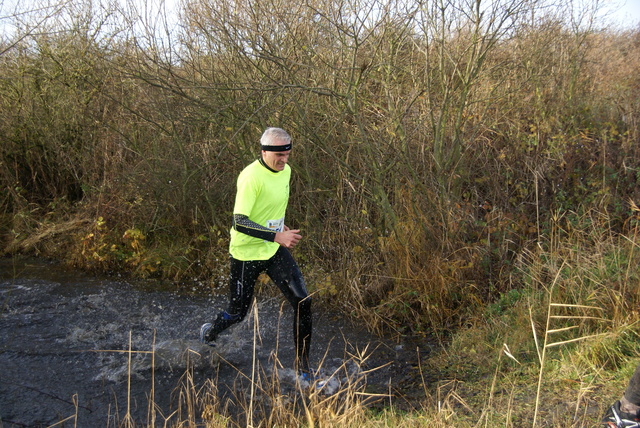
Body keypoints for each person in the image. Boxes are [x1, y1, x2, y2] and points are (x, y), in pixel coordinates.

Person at [199, 127, 314, 379]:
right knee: (238, 313)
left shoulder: (287, 171)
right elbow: (239, 221)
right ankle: (210, 332)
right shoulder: (251, 177)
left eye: (287, 154)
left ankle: (303, 367)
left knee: (303, 301)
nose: (284, 160)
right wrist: (277, 235)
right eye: (278, 156)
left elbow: (272, 204)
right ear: (264, 152)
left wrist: (278, 225)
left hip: (272, 250)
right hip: (246, 253)